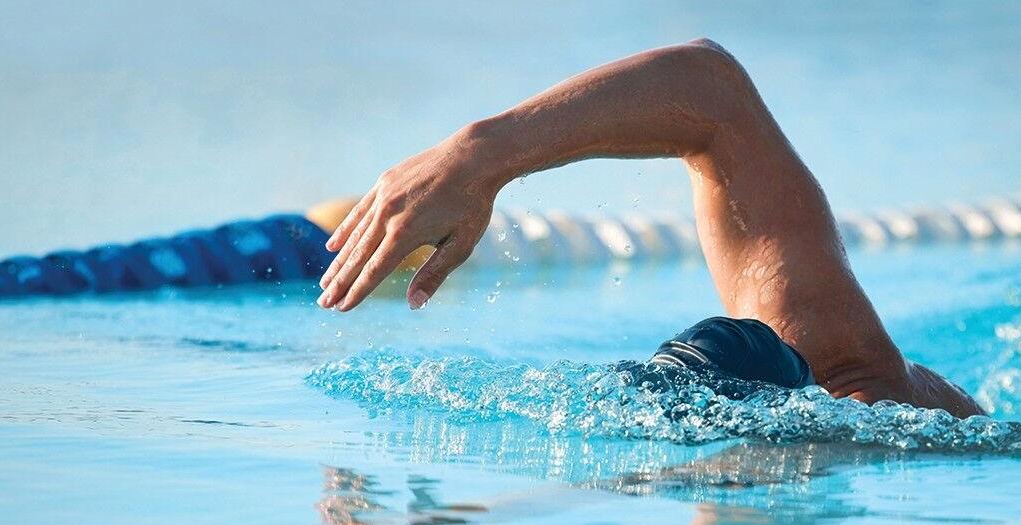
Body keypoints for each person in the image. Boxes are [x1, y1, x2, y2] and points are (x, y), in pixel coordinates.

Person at [314, 40, 984, 417]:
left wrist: (487, 150)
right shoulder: (822, 338)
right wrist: (481, 152)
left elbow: (712, 85)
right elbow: (712, 88)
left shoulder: (861, 382)